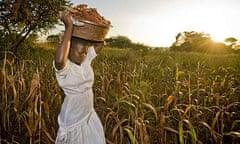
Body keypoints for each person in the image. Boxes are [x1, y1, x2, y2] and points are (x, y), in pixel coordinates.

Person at [53, 11, 106, 144]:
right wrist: (69, 27)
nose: (84, 53)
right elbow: (59, 60)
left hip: (87, 113)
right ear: (69, 50)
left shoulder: (85, 60)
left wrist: (96, 28)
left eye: (85, 50)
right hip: (73, 118)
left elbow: (100, 44)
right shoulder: (64, 69)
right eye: (80, 51)